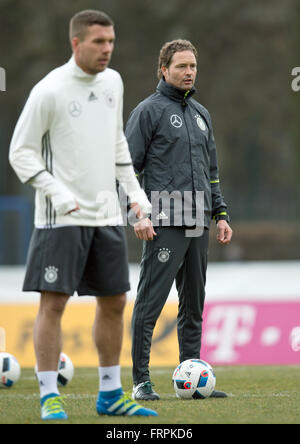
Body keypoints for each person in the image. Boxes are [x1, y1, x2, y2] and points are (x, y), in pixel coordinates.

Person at [9, 10, 158, 420]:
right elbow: (19, 151)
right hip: (60, 220)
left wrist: (134, 195)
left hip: (106, 216)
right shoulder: (49, 90)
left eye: (111, 41)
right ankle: (48, 395)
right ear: (76, 43)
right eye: (98, 42)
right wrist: (56, 192)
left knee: (114, 302)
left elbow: (116, 145)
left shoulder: (113, 82)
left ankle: (110, 394)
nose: (107, 49)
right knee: (53, 304)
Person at [125, 39, 233, 401]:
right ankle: (141, 380)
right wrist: (138, 212)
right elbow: (126, 169)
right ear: (164, 69)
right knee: (150, 303)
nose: (189, 72)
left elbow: (211, 171)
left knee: (193, 303)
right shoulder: (148, 111)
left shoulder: (202, 114)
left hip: (198, 221)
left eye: (193, 67)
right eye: (182, 66)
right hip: (166, 219)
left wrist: (220, 213)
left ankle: (193, 375)